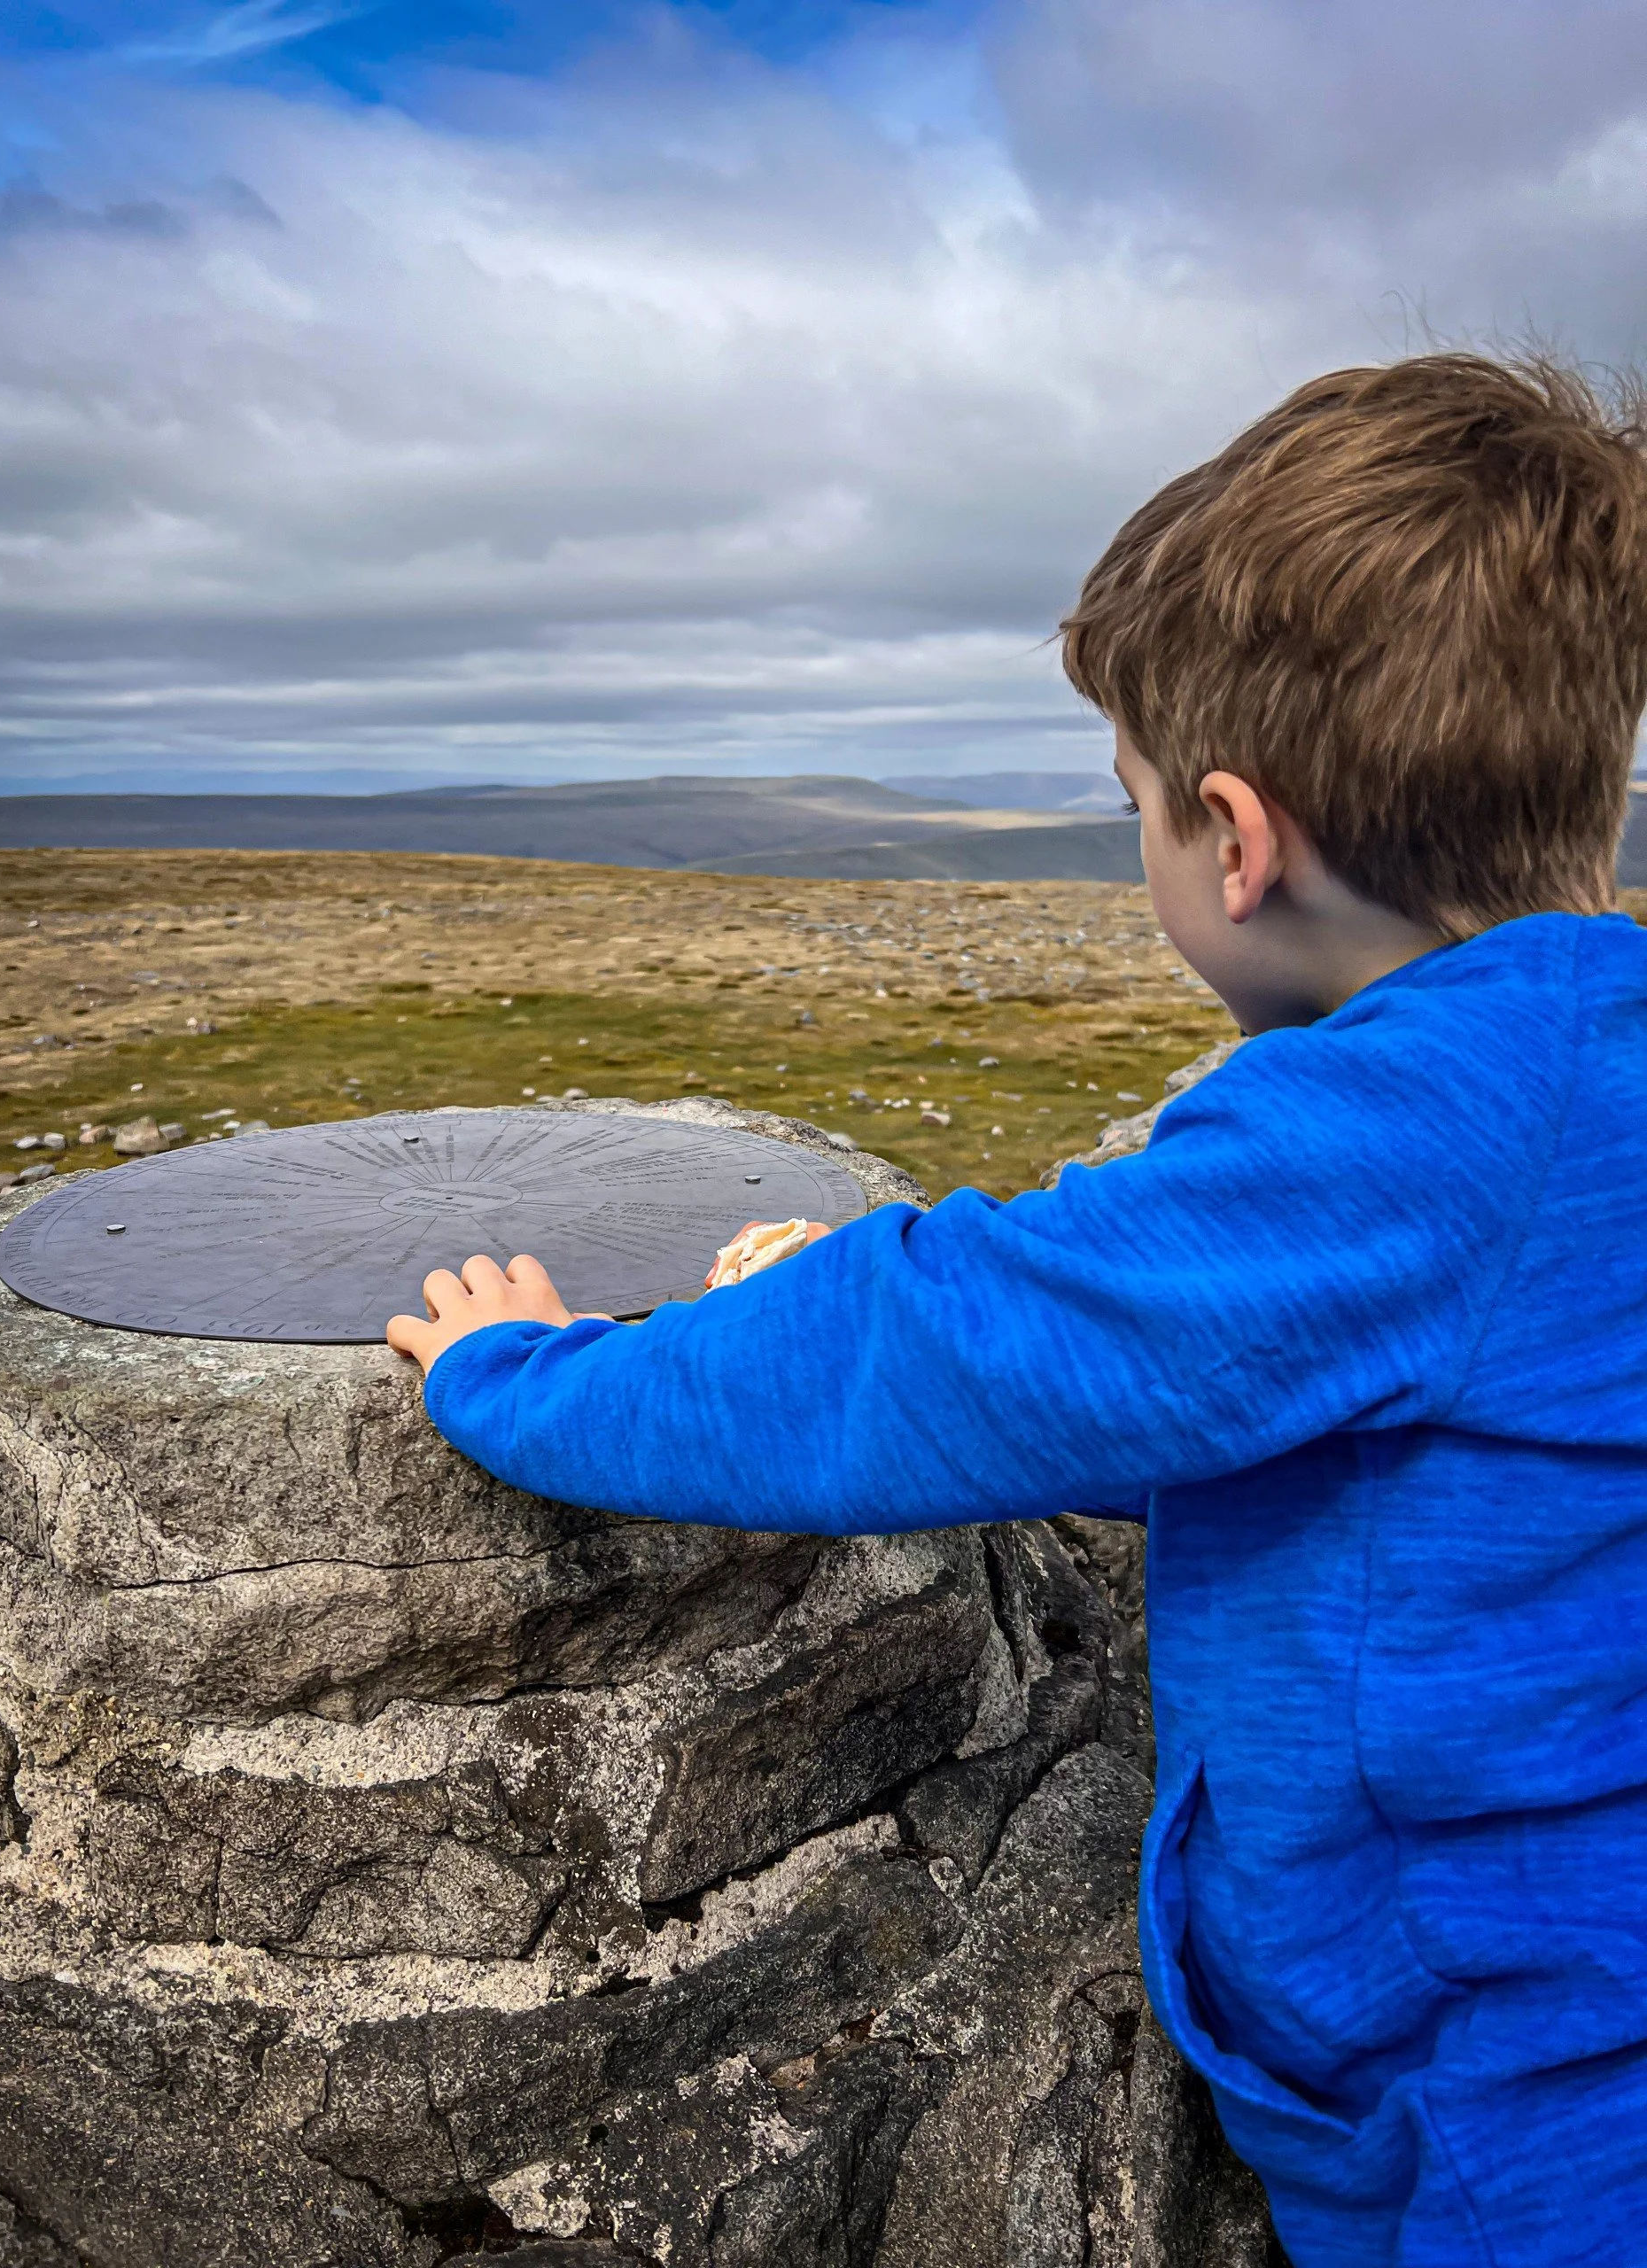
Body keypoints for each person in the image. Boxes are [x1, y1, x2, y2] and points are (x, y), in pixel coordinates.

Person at [387, 353, 1647, 2268]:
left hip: (1498, 2109)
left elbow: (944, 1345)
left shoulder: (1402, 1130)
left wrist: (523, 1377)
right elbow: (1417, 1419)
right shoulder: (1590, 1062)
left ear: (1236, 838)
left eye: (1132, 804)